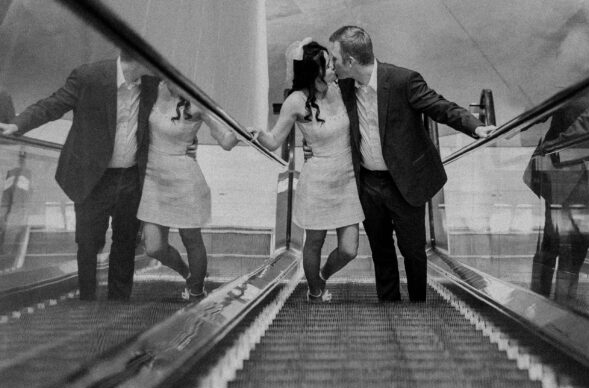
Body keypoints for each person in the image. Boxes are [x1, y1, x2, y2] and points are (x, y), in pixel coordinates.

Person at [328, 25, 495, 303]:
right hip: (368, 183)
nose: (332, 64)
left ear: (351, 61)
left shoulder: (402, 80)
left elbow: (440, 106)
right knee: (381, 250)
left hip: (404, 181)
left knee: (413, 249)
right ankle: (390, 307)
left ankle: (418, 304)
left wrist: (476, 128)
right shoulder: (343, 87)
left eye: (335, 58)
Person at [0, 50, 159, 301]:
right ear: (140, 60)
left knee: (125, 242)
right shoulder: (90, 77)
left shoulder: (151, 84)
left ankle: (118, 305)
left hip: (130, 177)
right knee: (88, 242)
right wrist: (18, 124)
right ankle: (86, 299)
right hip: (92, 177)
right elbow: (53, 104)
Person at [254, 39, 363, 302]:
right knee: (314, 242)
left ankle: (322, 275)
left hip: (347, 178)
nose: (333, 67)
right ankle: (315, 292)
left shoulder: (342, 88)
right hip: (318, 180)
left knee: (349, 249)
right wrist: (255, 134)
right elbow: (274, 141)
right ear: (313, 72)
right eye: (327, 65)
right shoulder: (296, 101)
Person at [138, 81, 239, 301]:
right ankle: (187, 273)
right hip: (152, 177)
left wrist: (242, 134)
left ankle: (196, 290)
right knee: (154, 248)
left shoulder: (197, 102)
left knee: (191, 238)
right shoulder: (151, 89)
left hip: (183, 176)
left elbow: (225, 140)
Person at [524, 88, 589, 303]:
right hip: (566, 171)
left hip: (577, 172)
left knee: (557, 243)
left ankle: (547, 302)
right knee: (565, 246)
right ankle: (558, 307)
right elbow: (538, 113)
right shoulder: (581, 82)